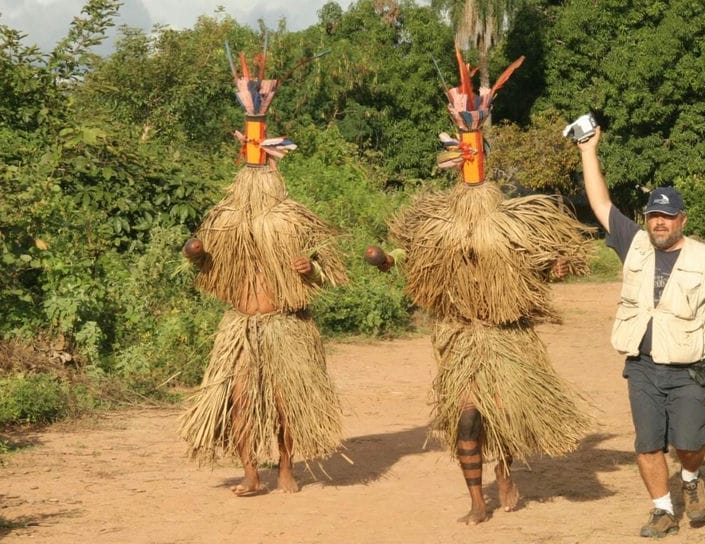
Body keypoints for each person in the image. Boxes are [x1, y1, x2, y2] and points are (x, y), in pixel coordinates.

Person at [366, 45, 594, 525]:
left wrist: (554, 266)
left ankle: (506, 470)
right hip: (462, 337)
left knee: (501, 414)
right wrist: (387, 260)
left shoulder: (513, 220)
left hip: (506, 336)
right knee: (467, 416)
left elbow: (559, 255)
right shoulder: (437, 222)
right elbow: (409, 257)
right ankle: (476, 500)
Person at [576, 126, 705, 537]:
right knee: (647, 443)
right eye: (653, 216)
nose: (658, 223)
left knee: (689, 442)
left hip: (687, 368)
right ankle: (662, 509)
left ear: (681, 220)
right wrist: (589, 150)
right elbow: (600, 203)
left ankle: (691, 479)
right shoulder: (634, 243)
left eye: (666, 217)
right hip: (641, 366)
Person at [178, 50, 347, 496]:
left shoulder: (291, 216)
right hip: (240, 325)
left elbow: (329, 265)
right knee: (238, 400)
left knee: (283, 402)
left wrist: (310, 267)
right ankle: (252, 473)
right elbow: (204, 260)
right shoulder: (225, 217)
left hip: (285, 325)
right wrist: (194, 253)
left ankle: (287, 467)